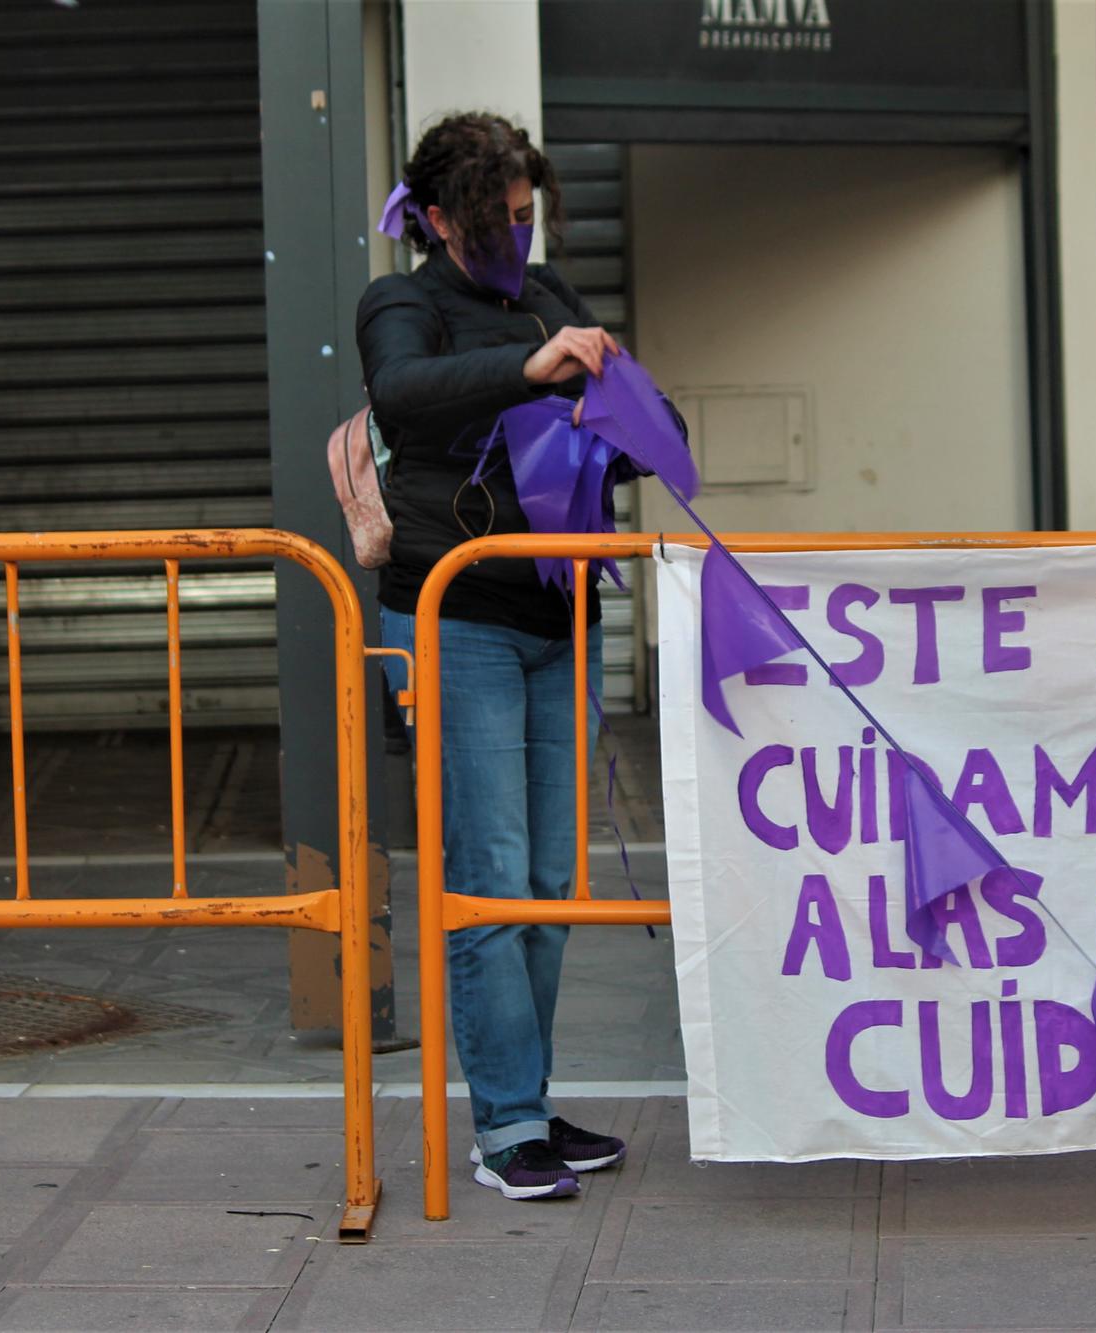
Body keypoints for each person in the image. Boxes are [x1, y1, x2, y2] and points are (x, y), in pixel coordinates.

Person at [358, 111, 628, 1201]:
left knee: (552, 883)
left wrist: (627, 407)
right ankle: (505, 1122)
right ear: (433, 219)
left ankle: (526, 1100)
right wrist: (531, 368)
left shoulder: (548, 292)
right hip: (452, 615)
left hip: (558, 615)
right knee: (490, 879)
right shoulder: (403, 301)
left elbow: (617, 400)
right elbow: (403, 397)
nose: (514, 237)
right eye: (492, 223)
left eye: (525, 217)